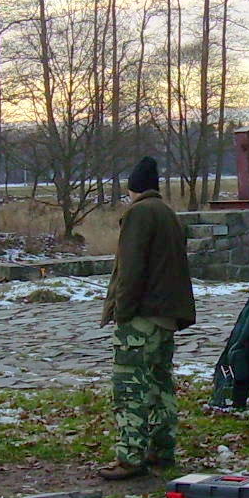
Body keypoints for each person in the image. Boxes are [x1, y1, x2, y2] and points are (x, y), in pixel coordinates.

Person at [99, 156, 196, 479]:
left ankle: (130, 457)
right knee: (160, 385)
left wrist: (122, 312)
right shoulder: (168, 214)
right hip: (166, 317)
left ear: (133, 188)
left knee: (129, 387)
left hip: (141, 317)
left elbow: (131, 269)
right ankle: (162, 449)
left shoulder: (138, 213)